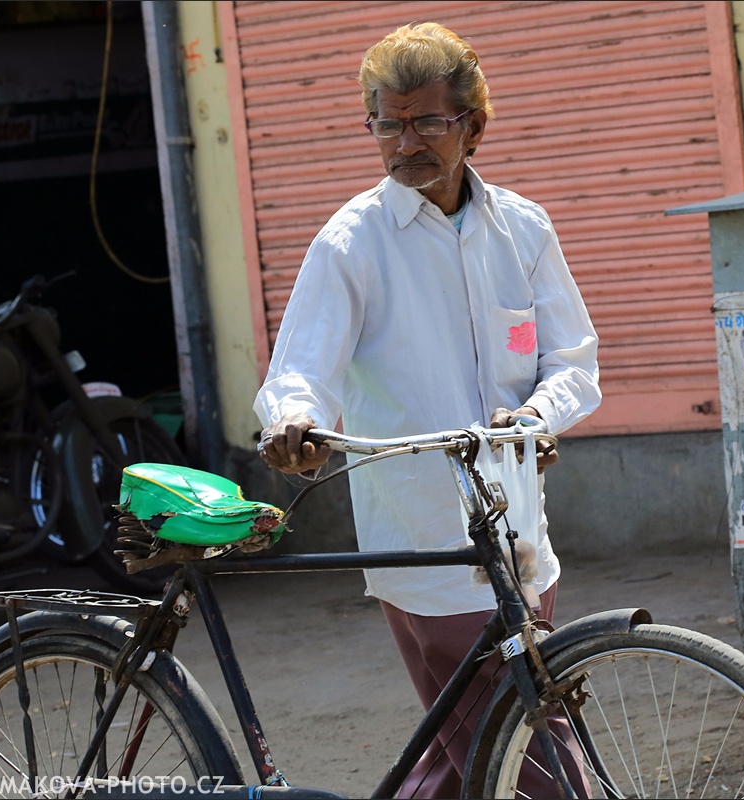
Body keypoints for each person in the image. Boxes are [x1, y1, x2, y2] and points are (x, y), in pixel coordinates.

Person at [254, 22, 600, 798]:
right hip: (426, 550)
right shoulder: (351, 244)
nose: (403, 142)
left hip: (522, 541)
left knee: (464, 764)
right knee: (533, 760)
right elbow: (300, 373)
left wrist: (537, 417)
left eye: (426, 122)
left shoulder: (523, 228)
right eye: (388, 122)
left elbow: (574, 364)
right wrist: (294, 425)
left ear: (472, 125)